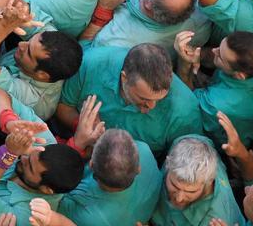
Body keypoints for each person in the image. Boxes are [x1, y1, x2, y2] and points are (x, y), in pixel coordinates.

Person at [56, 43, 204, 155]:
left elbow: (181, 159)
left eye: (159, 99)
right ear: (124, 77)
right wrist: (83, 127)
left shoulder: (185, 111)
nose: (152, 106)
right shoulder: (91, 64)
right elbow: (63, 106)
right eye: (143, 98)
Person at [58, 129, 162, 226]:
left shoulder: (89, 218)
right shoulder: (144, 150)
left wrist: (76, 146)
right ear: (138, 169)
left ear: (91, 164)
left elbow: (52, 201)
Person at [152, 135, 241, 226]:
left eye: (191, 191)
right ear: (168, 162)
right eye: (174, 185)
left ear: (209, 182)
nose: (179, 198)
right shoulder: (185, 142)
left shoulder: (216, 219)